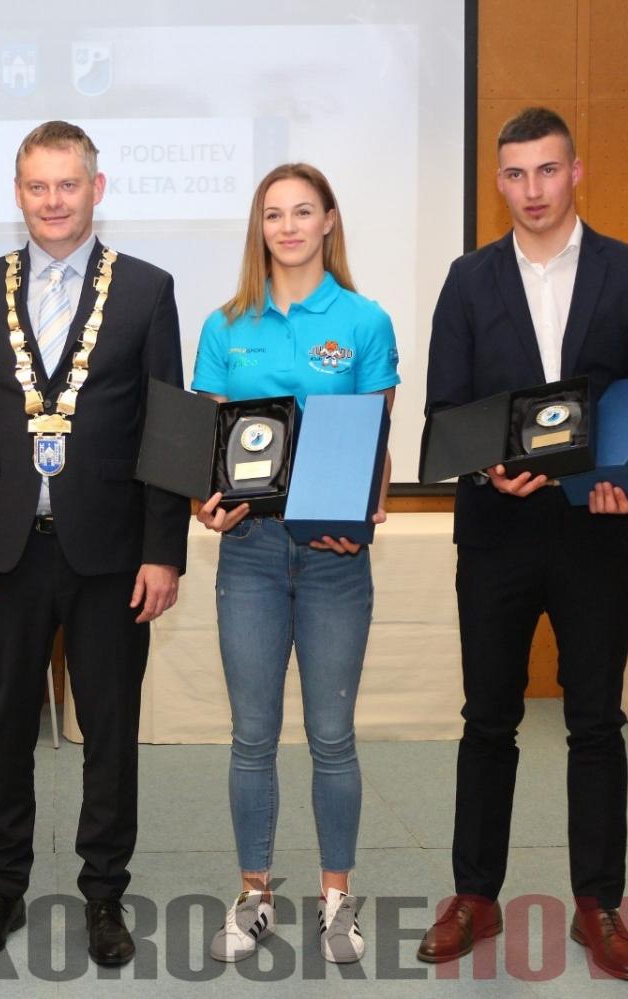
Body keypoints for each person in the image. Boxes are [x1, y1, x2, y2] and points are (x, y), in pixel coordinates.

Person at [419, 106, 628, 982]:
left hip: (597, 529)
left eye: (547, 171)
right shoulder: (466, 280)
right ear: (499, 183)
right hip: (496, 531)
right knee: (487, 717)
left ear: (577, 173)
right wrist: (490, 465)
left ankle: (599, 906)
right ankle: (474, 895)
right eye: (516, 174)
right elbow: (446, 410)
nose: (532, 190)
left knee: (595, 720)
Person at [0, 120, 188, 967]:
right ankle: (2, 885)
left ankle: (103, 895)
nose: (53, 201)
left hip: (113, 553)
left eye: (68, 185)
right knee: (3, 726)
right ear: (19, 193)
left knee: (110, 731)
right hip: (5, 551)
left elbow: (168, 428)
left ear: (98, 188)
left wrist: (166, 551)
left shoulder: (149, 290)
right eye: (38, 186)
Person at [191, 163, 397, 965]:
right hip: (247, 551)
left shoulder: (364, 319)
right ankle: (255, 895)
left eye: (303, 211)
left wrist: (367, 513)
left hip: (334, 555)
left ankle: (337, 899)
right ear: (260, 227)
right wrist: (204, 503)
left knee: (333, 734)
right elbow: (210, 448)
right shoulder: (225, 324)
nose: (288, 227)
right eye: (273, 214)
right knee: (251, 734)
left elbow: (378, 438)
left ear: (329, 220)